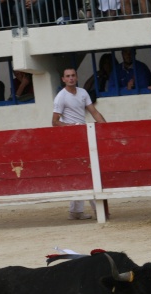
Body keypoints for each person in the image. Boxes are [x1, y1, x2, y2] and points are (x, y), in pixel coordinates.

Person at [52, 67, 106, 220]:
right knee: (87, 171)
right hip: (70, 139)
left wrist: (106, 127)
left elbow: (94, 112)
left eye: (73, 76)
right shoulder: (60, 97)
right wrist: (73, 128)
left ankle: (76, 211)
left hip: (83, 136)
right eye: (67, 76)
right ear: (63, 79)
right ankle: (97, 209)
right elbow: (54, 122)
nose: (71, 78)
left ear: (76, 77)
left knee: (83, 171)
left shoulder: (83, 92)